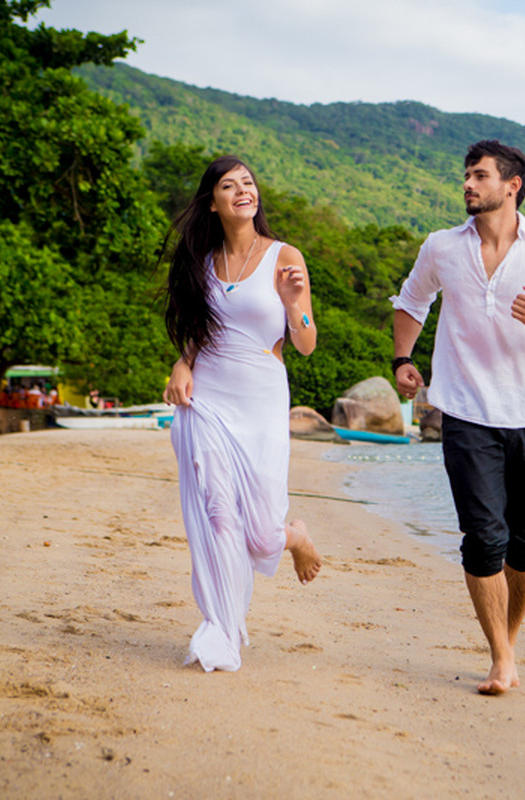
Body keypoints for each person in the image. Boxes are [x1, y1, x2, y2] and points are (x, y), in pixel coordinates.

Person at [391, 140, 525, 694]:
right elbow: (411, 302)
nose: (467, 184)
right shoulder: (441, 247)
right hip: (464, 411)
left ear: (512, 186)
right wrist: (402, 360)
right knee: (484, 538)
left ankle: (506, 640)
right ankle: (501, 658)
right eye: (465, 175)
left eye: (479, 176)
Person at [162, 155, 322, 672]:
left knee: (259, 535)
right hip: (207, 400)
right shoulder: (201, 261)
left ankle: (292, 535)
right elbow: (195, 333)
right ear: (213, 201)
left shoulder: (283, 255)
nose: (242, 191)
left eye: (248, 183)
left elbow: (305, 344)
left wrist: (294, 301)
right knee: (216, 516)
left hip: (260, 401)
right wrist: (181, 364)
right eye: (229, 186)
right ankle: (221, 630)